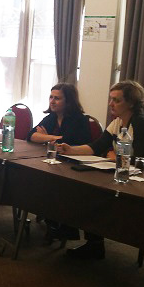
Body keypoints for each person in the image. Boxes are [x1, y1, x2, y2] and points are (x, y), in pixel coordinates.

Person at [57, 80, 144, 259]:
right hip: (124, 175)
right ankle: (87, 238)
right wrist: (71, 150)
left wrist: (117, 157)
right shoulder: (117, 122)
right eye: (110, 99)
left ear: (131, 103)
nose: (110, 104)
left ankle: (94, 244)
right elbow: (97, 146)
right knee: (85, 187)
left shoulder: (140, 123)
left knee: (94, 194)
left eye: (116, 100)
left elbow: (142, 160)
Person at [27, 83, 91, 244]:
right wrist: (52, 137)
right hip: (54, 162)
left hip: (73, 166)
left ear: (68, 101)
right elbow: (31, 135)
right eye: (51, 97)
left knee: (51, 182)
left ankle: (58, 225)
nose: (52, 101)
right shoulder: (52, 117)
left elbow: (69, 143)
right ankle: (52, 221)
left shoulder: (79, 120)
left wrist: (46, 137)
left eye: (57, 98)